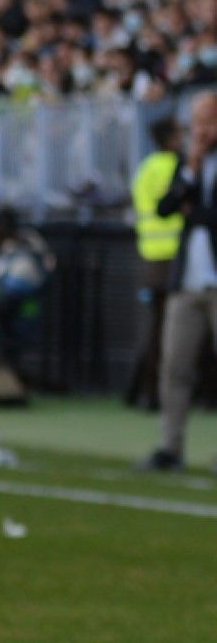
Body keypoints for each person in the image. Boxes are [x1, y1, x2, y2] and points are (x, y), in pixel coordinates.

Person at [143, 92, 217, 472]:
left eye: (206, 122)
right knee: (174, 366)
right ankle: (170, 447)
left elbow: (203, 215)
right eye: (196, 124)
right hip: (186, 282)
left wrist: (196, 210)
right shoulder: (185, 164)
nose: (200, 131)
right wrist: (191, 167)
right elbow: (166, 208)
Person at [127, 119, 183, 410]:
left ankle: (144, 392)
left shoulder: (145, 168)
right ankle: (154, 393)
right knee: (169, 329)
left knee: (155, 327)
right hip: (172, 256)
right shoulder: (174, 167)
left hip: (149, 255)